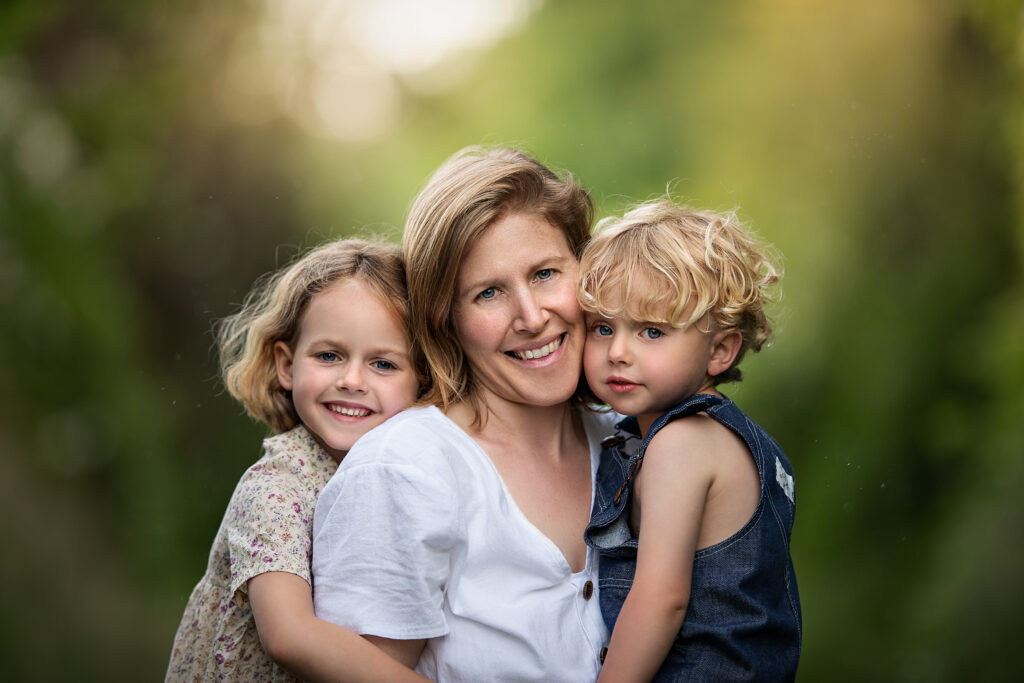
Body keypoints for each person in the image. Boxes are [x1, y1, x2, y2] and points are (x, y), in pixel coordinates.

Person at [311, 146, 618, 682]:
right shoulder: (405, 470)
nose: (531, 316)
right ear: (445, 318)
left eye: (545, 273)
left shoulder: (631, 443)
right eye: (489, 293)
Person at [167, 238, 429, 682]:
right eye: (329, 356)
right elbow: (289, 635)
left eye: (383, 364)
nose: (352, 380)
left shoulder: (401, 473)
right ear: (287, 365)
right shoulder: (276, 487)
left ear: (422, 379)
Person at [578, 200, 801, 682]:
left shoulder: (681, 443)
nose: (618, 352)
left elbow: (662, 599)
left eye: (651, 331)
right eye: (602, 328)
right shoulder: (739, 439)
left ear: (720, 350)